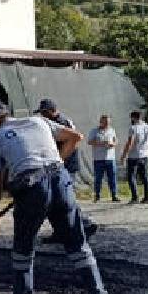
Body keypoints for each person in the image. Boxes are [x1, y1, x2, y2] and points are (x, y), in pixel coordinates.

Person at [0, 99, 112, 294]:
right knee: (78, 245)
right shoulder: (38, 121)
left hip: (31, 187)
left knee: (23, 246)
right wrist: (57, 163)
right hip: (60, 181)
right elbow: (75, 137)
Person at [37, 98, 98, 240]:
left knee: (64, 199)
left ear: (51, 111)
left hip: (65, 164)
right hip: (62, 163)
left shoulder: (60, 122)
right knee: (55, 201)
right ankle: (60, 231)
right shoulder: (60, 120)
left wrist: (59, 161)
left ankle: (84, 223)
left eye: (44, 113)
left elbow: (72, 142)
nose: (43, 116)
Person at [120, 110, 148, 204]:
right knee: (144, 176)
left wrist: (124, 155)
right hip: (144, 155)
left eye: (131, 118)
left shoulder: (133, 128)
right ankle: (146, 198)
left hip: (134, 156)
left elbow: (130, 142)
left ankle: (135, 197)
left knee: (131, 177)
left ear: (133, 118)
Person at [87, 114, 120, 202]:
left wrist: (113, 144)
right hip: (98, 159)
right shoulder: (94, 131)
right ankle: (97, 195)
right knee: (98, 178)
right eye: (105, 122)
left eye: (108, 123)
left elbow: (116, 140)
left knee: (112, 177)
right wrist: (102, 143)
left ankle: (114, 195)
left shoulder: (112, 130)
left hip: (110, 158)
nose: (107, 124)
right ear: (101, 122)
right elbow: (89, 141)